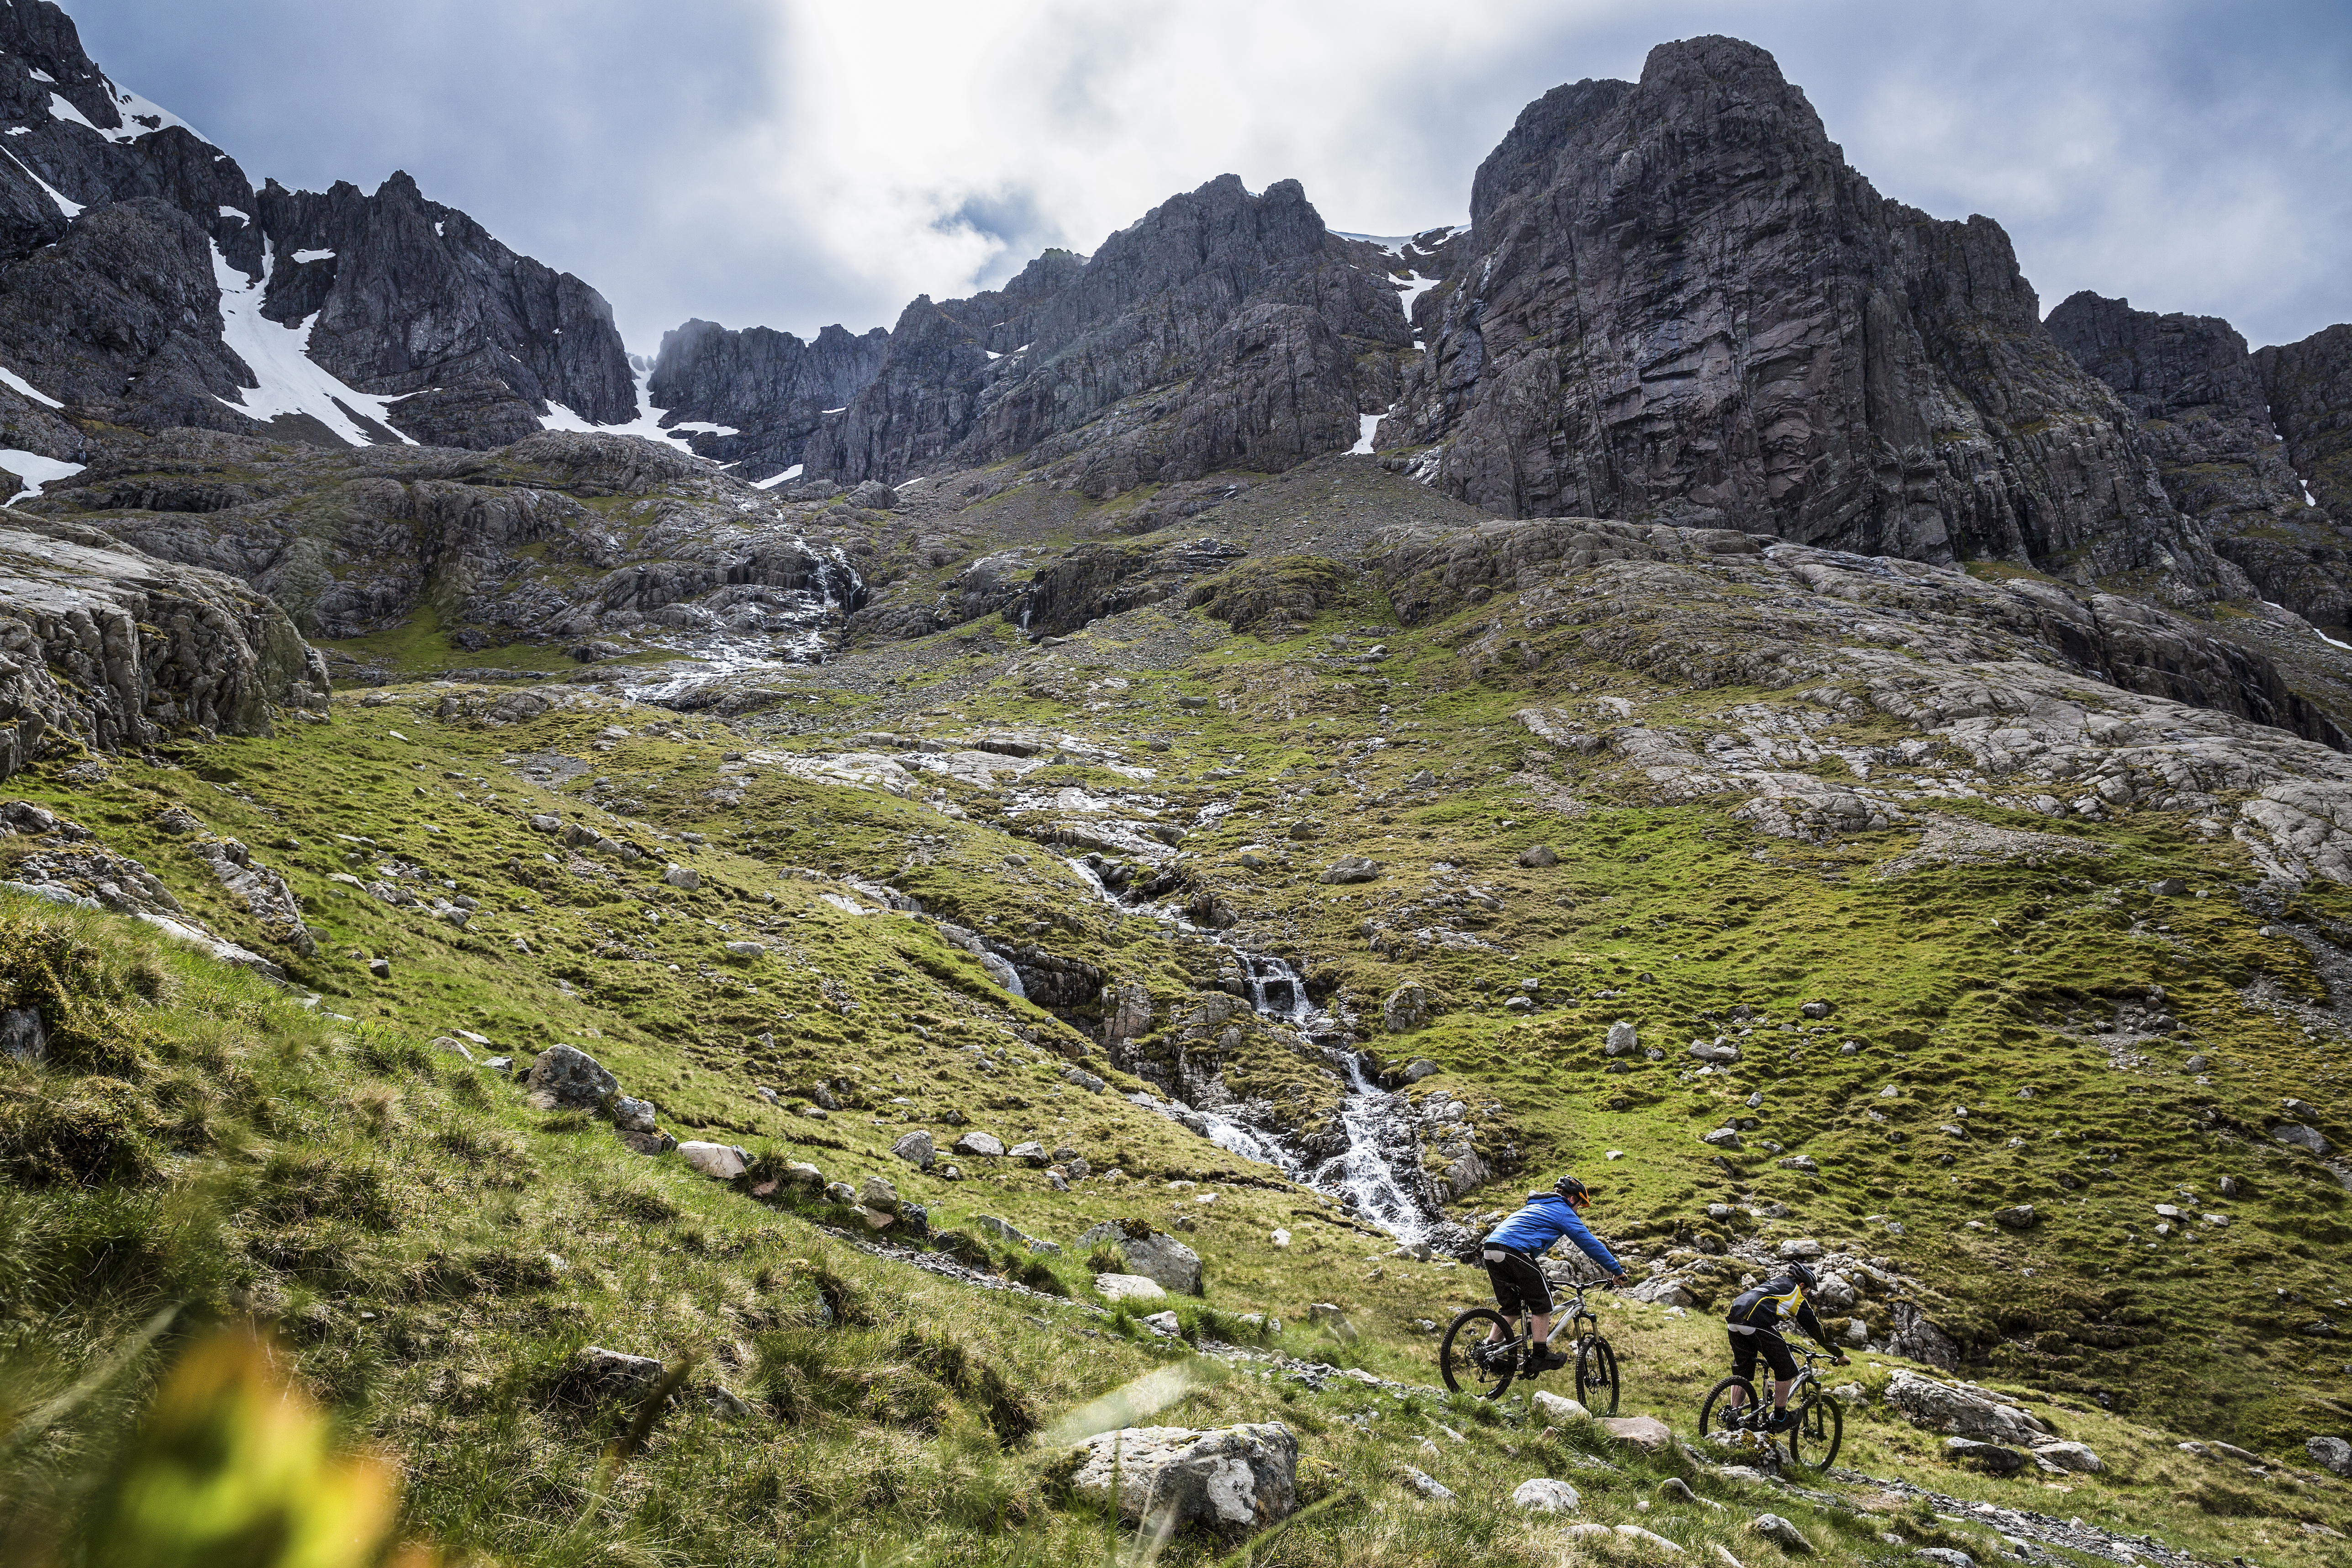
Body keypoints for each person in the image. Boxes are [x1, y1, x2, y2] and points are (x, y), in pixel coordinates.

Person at [1480, 1176, 1626, 1371]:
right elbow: (1590, 1244)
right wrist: (1616, 1271)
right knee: (1543, 1303)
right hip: (1513, 1251)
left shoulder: (1536, 1206)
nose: (1578, 1212)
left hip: (1491, 1249)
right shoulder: (1563, 1211)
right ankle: (1540, 1355)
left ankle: (1489, 1351)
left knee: (1511, 1308)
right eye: (1580, 1206)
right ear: (1573, 1199)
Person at [1722, 1263, 1847, 1430]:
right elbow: (1815, 1328)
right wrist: (1838, 1353)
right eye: (1808, 1291)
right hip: (1756, 1322)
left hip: (1733, 1319)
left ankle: (1734, 1414)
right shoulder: (1796, 1294)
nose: (1806, 1295)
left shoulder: (1775, 1284)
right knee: (1787, 1367)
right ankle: (1780, 1417)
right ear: (1802, 1285)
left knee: (1743, 1370)